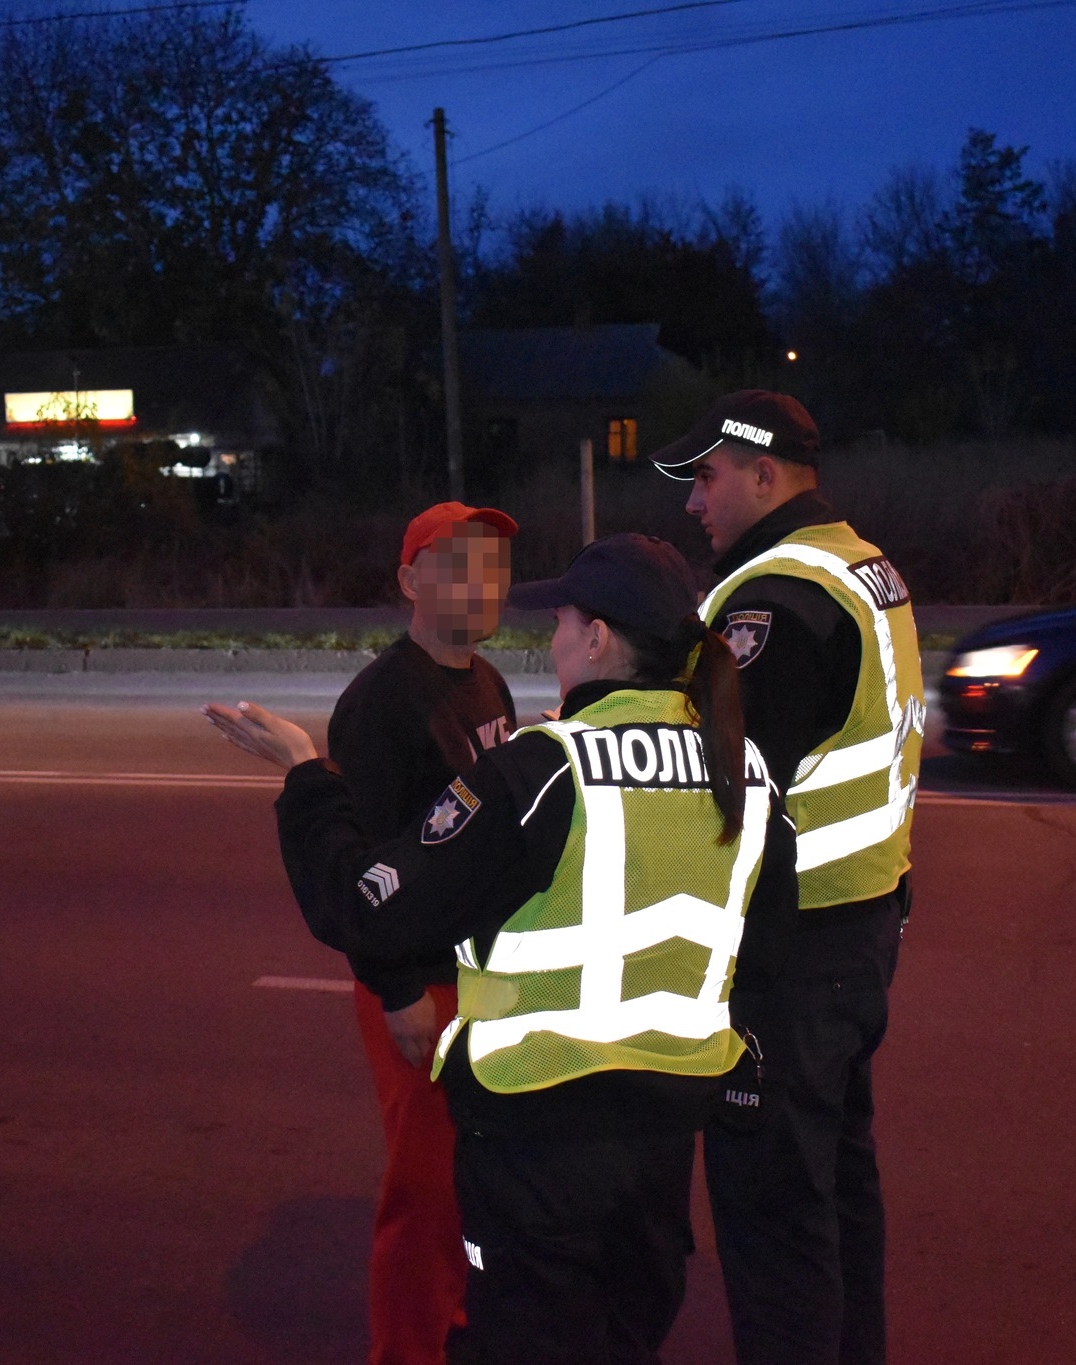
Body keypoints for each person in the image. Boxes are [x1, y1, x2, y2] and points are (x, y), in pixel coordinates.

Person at [207, 534, 797, 1365]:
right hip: (663, 1140)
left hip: (539, 1139)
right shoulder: (746, 769)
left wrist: (308, 776)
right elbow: (765, 956)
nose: (550, 641)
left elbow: (372, 905)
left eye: (560, 622)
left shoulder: (544, 773)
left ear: (597, 639)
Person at [651, 391, 924, 1365]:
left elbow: (719, 788)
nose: (692, 502)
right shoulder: (860, 564)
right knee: (837, 1198)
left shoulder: (774, 598)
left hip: (789, 955)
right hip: (858, 931)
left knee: (774, 1225)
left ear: (764, 474)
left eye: (707, 477)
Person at [326, 501, 521, 1365]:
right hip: (417, 984)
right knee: (425, 1186)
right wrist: (399, 990)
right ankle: (405, 1347)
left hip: (480, 977)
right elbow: (357, 874)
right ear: (410, 579)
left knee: (475, 1175)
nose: (482, 582)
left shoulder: (487, 681)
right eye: (458, 562)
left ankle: (457, 1315)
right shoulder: (381, 703)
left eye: (495, 564)